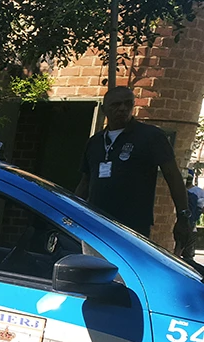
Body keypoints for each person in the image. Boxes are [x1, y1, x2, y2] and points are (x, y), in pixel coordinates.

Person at [75, 86, 190, 249]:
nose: (122, 108)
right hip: (96, 223)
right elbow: (85, 182)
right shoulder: (95, 142)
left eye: (128, 104)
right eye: (116, 104)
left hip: (132, 226)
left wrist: (183, 216)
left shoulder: (151, 136)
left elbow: (173, 177)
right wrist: (71, 212)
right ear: (104, 109)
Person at [179, 170, 204, 259]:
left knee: (187, 253)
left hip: (190, 225)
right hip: (183, 224)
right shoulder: (181, 190)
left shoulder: (197, 192)